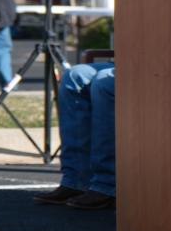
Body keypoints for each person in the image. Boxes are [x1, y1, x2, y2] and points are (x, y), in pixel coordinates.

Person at [33, 62, 116, 210]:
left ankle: (107, 185)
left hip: (162, 60)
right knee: (75, 75)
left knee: (105, 81)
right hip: (127, 57)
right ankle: (76, 181)